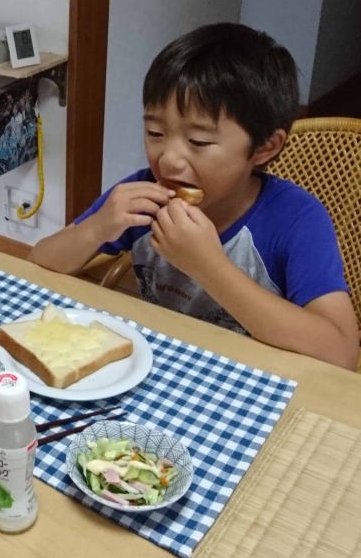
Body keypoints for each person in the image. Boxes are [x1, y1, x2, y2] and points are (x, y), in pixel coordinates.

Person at [28, 23, 358, 369]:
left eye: (198, 141)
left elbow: (341, 351)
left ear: (264, 147)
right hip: (160, 366)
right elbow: (39, 260)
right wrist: (97, 227)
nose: (168, 159)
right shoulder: (144, 196)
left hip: (251, 377)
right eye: (155, 132)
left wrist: (208, 266)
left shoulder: (296, 219)